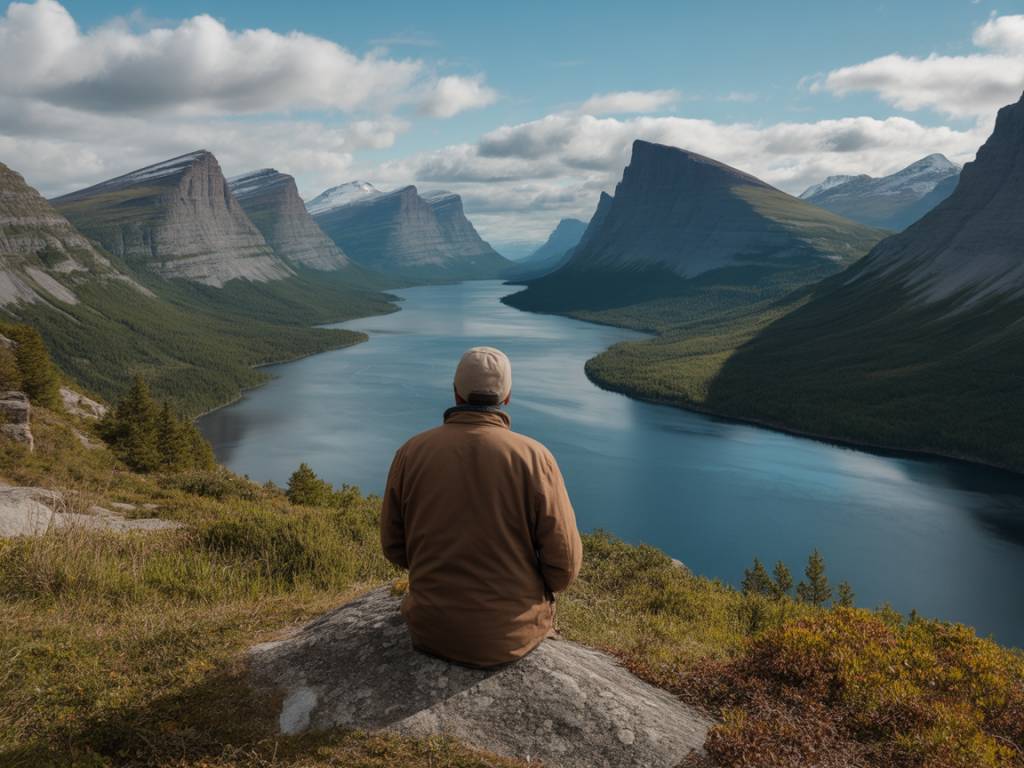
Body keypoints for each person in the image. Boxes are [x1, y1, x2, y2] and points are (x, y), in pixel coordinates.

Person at [380, 346, 583, 668]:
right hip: (511, 636)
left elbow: (393, 546)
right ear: (507, 397)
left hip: (430, 629)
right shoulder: (535, 457)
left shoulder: (411, 451)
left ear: (456, 393)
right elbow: (564, 565)